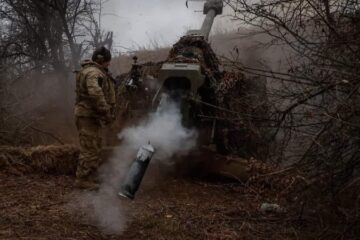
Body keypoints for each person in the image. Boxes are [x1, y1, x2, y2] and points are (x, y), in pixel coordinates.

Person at [74, 46, 116, 189]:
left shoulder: (92, 71)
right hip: (88, 116)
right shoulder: (93, 73)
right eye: (107, 62)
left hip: (91, 116)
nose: (108, 64)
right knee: (89, 148)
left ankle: (91, 176)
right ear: (101, 60)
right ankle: (83, 179)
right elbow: (95, 93)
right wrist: (106, 112)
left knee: (95, 146)